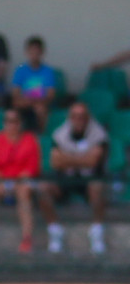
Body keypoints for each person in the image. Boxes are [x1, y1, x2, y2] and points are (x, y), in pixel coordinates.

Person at [38, 102, 108, 255]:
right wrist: (83, 159)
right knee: (43, 188)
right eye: (75, 116)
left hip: (89, 179)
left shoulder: (98, 133)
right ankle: (55, 231)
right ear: (70, 118)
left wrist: (68, 159)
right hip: (66, 179)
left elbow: (94, 161)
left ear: (88, 117)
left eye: (82, 116)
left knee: (97, 187)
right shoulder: (60, 133)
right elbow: (55, 162)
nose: (79, 120)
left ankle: (97, 233)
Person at [0, 109, 41, 254]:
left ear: (20, 123)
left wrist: (18, 179)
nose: (11, 125)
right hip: (1, 180)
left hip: (21, 181)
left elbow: (32, 167)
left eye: (15, 121)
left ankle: (27, 239)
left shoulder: (29, 140)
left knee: (24, 192)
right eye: (8, 121)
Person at [10, 36, 57, 133]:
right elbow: (15, 93)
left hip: (41, 103)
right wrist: (26, 101)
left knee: (40, 109)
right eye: (32, 51)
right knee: (14, 109)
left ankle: (42, 135)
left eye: (37, 51)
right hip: (24, 102)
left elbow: (50, 95)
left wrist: (37, 101)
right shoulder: (20, 70)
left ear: (42, 52)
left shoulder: (48, 71)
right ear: (27, 52)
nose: (34, 54)